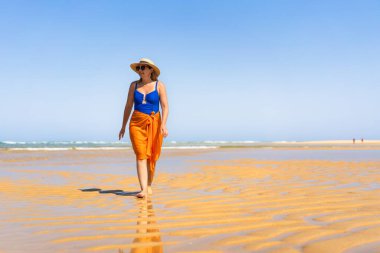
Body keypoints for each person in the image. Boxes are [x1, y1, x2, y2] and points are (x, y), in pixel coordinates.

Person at [119, 58, 169, 198]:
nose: (140, 70)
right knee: (141, 155)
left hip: (155, 122)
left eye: (143, 67)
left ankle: (148, 185)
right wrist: (123, 126)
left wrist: (163, 125)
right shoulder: (133, 85)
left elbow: (165, 107)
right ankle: (143, 189)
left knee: (152, 156)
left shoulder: (159, 85)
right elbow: (128, 106)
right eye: (139, 68)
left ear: (151, 69)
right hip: (136, 122)